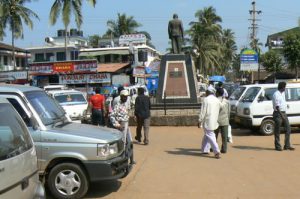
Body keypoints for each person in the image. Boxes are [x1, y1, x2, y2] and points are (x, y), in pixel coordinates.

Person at [110, 90, 135, 164]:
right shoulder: (118, 105)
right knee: (123, 142)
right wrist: (117, 125)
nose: (126, 98)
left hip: (126, 124)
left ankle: (131, 159)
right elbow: (111, 116)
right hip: (122, 124)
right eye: (124, 97)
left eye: (126, 97)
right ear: (121, 97)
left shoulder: (125, 105)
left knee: (130, 142)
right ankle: (122, 161)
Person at [198, 85, 222, 159]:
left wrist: (199, 120)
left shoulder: (206, 99)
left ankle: (216, 151)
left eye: (206, 92)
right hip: (214, 120)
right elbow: (221, 108)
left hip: (208, 121)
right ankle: (205, 149)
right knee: (207, 135)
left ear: (208, 92)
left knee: (210, 135)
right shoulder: (217, 100)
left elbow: (203, 112)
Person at [272, 82, 295, 151]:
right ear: (282, 87)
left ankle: (287, 145)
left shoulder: (283, 94)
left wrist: (286, 106)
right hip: (278, 113)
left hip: (284, 113)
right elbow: (277, 106)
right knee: (277, 130)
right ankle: (278, 146)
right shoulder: (276, 94)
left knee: (288, 129)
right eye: (285, 87)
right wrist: (282, 115)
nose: (285, 88)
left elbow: (282, 103)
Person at [215, 87, 230, 153]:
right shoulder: (227, 102)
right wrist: (228, 121)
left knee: (214, 136)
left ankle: (213, 147)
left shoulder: (215, 101)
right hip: (225, 120)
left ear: (217, 93)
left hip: (216, 121)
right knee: (224, 137)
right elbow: (229, 112)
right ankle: (224, 149)